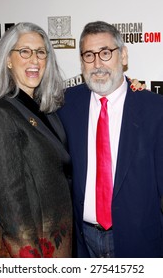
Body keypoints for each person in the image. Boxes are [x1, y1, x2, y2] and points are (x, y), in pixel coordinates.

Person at [57, 21, 163, 258]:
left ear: (123, 55)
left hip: (139, 243)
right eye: (88, 55)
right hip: (82, 243)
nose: (97, 64)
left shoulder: (155, 110)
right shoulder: (65, 105)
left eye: (105, 53)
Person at [0, 22, 73, 258]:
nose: (35, 60)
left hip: (59, 243)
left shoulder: (46, 110)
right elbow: (12, 210)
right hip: (32, 253)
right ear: (8, 60)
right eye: (25, 51)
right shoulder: (0, 114)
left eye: (40, 52)